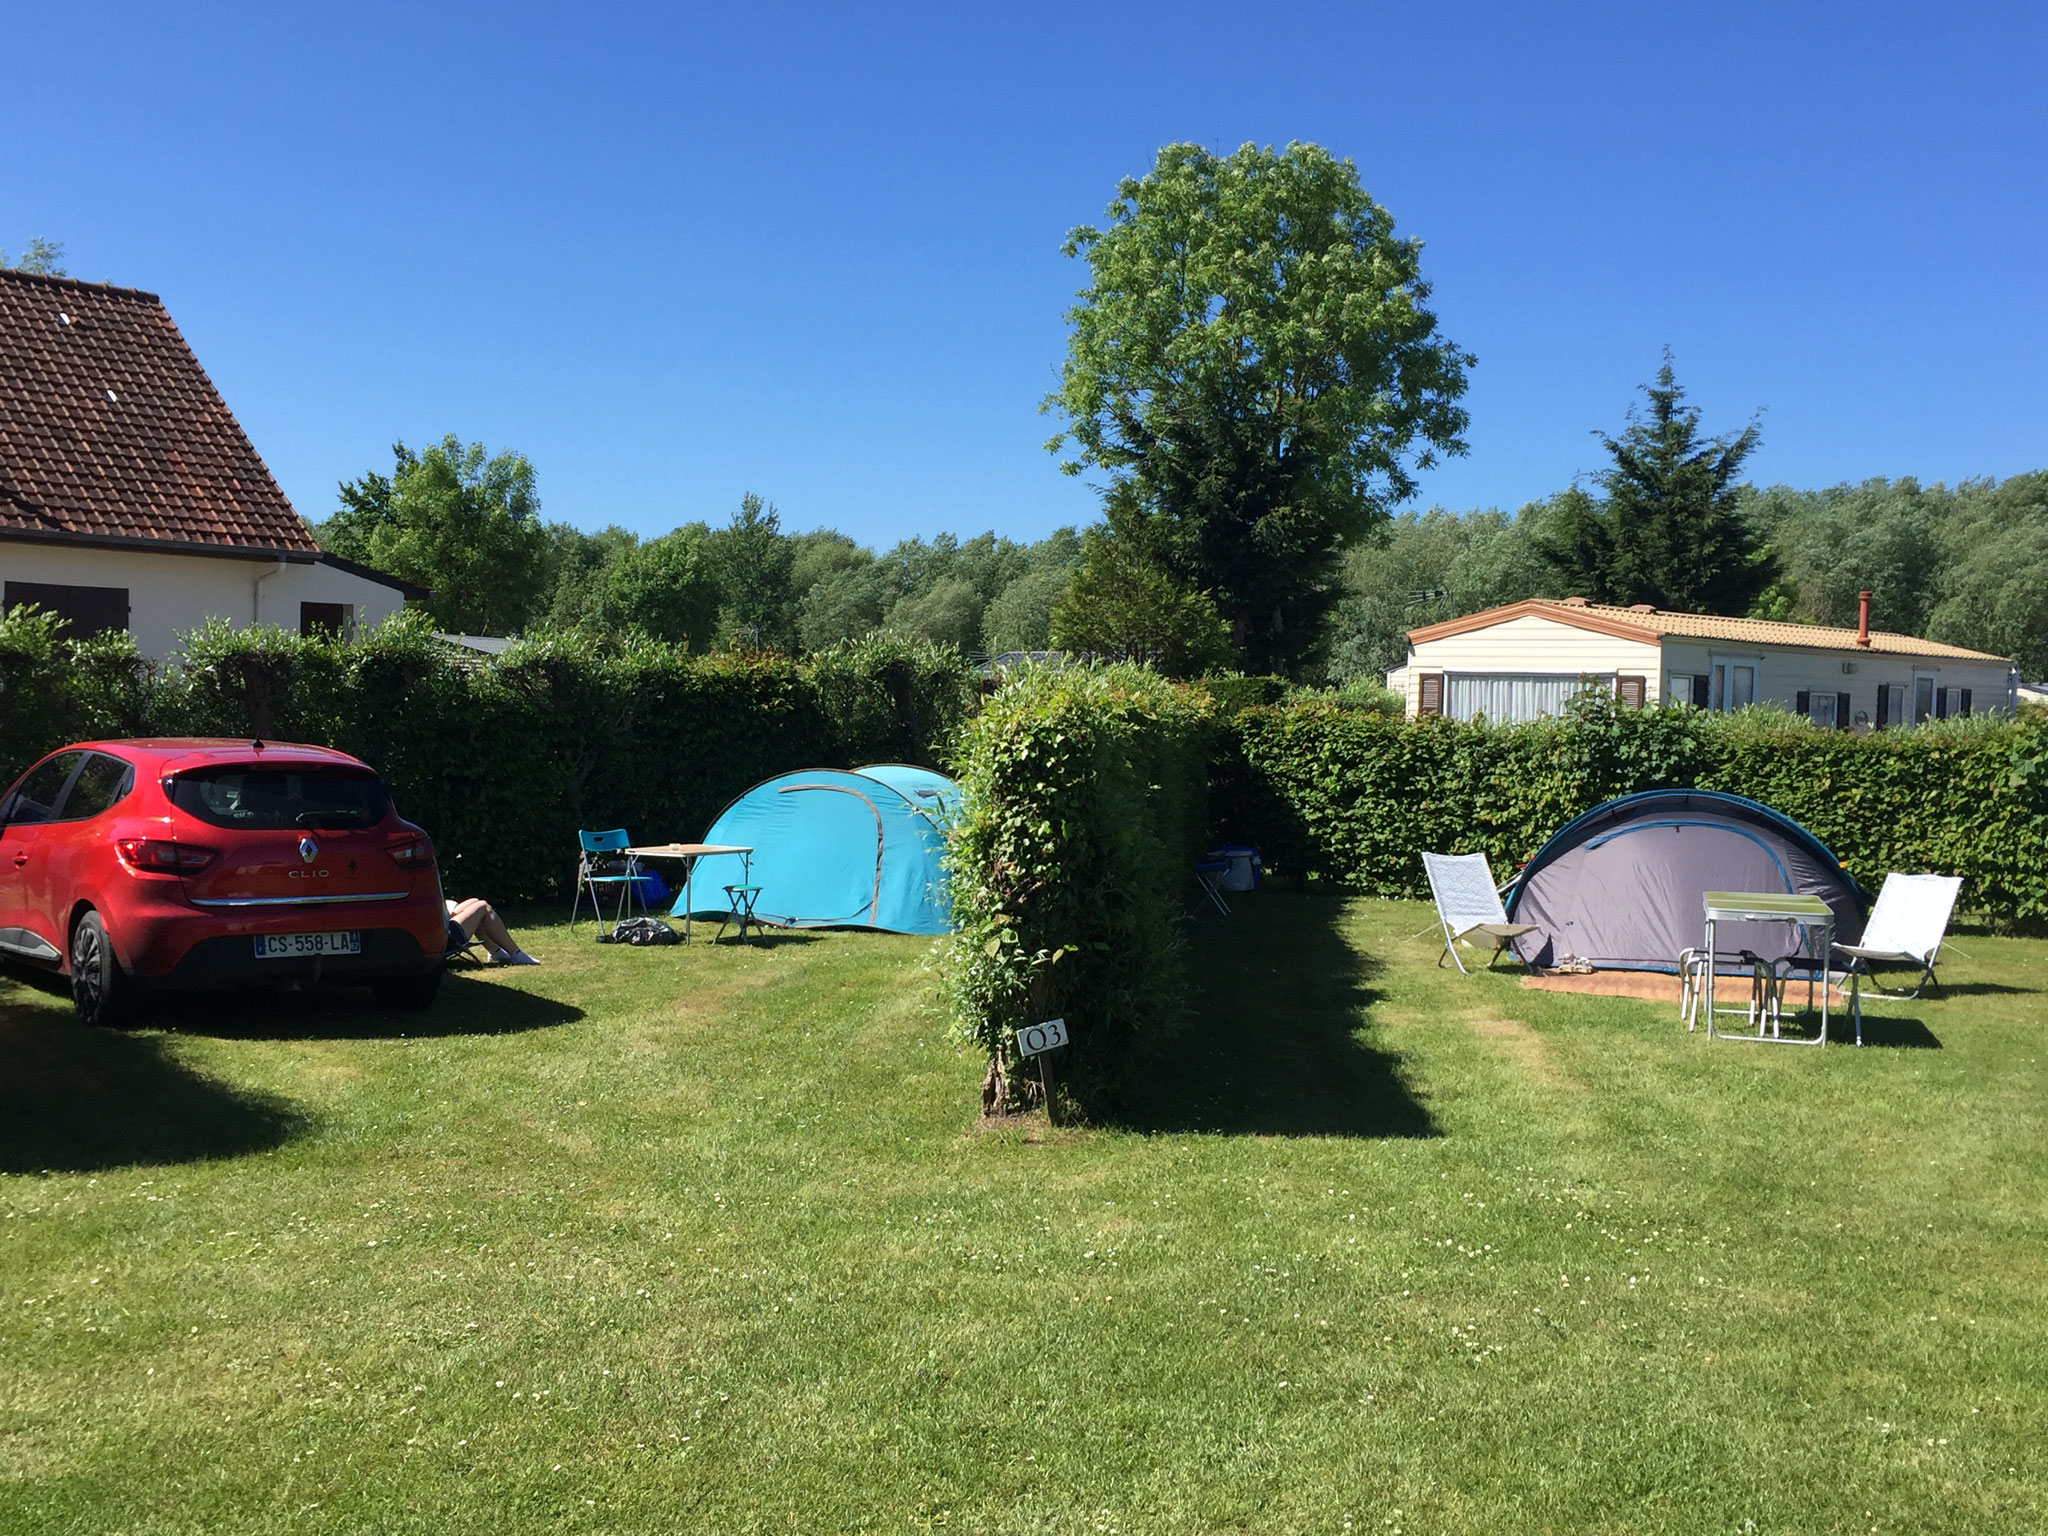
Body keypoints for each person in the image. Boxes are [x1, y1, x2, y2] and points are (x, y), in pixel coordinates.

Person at [445, 897, 540, 965]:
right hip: (444, 938)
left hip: (439, 931)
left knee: (475, 901)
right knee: (483, 907)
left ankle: (496, 952)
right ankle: (516, 954)